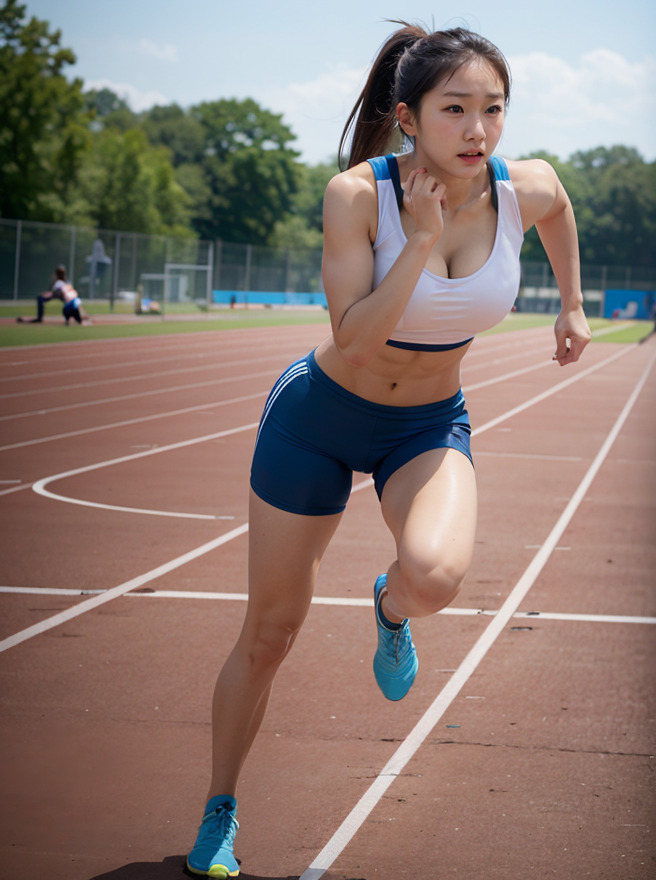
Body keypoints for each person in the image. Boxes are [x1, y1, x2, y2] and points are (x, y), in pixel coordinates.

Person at [186, 22, 591, 878]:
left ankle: (390, 607)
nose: (478, 130)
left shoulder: (528, 187)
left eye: (494, 109)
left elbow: (561, 215)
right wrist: (414, 240)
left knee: (436, 577)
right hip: (320, 416)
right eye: (455, 110)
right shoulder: (357, 198)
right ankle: (220, 810)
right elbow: (354, 340)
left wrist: (572, 303)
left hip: (425, 424)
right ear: (408, 118)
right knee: (269, 634)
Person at [17, 265, 91, 325]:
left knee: (40, 298)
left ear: (56, 275)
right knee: (75, 306)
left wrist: (46, 295)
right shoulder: (66, 283)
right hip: (70, 298)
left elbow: (56, 292)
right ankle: (83, 316)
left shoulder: (58, 283)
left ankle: (39, 318)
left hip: (64, 296)